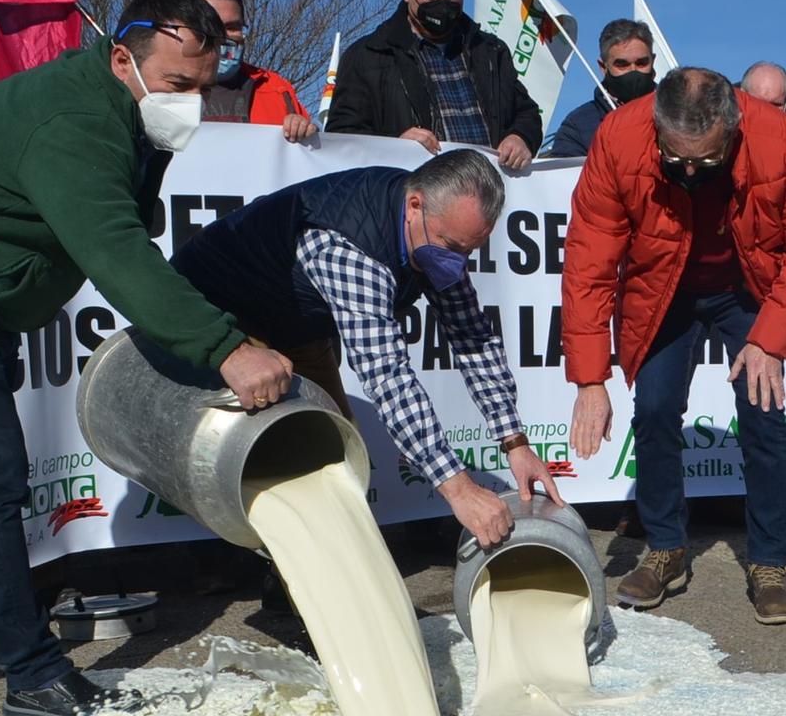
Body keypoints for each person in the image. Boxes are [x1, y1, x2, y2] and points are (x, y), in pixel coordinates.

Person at [0, 0, 291, 716]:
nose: (191, 103)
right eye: (178, 85)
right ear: (124, 58)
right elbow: (117, 250)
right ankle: (33, 675)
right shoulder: (75, 119)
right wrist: (227, 349)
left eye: (204, 88)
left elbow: (129, 217)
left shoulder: (125, 111)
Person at [562, 68, 786, 624]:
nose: (689, 171)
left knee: (762, 410)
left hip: (747, 286)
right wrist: (590, 379)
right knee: (657, 408)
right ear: (657, 128)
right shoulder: (618, 137)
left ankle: (768, 562)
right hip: (662, 287)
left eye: (705, 162)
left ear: (732, 129)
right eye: (675, 159)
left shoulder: (778, 137)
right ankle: (666, 548)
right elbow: (589, 260)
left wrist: (771, 338)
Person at [171, 150, 559, 545]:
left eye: (468, 251)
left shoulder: (433, 228)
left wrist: (516, 443)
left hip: (295, 322)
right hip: (216, 312)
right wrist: (459, 491)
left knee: (337, 451)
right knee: (280, 452)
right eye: (449, 245)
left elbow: (472, 336)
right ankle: (240, 563)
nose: (457, 262)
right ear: (414, 205)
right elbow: (388, 376)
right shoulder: (349, 249)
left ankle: (304, 576)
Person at [325, 0, 540, 168]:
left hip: (492, 195)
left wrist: (520, 137)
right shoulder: (367, 56)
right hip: (412, 197)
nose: (442, 4)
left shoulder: (491, 52)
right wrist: (393, 149)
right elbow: (342, 142)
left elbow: (527, 113)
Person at [182, 0, 316, 142]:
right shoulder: (158, 87)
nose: (223, 37)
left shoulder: (276, 89)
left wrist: (302, 129)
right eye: (211, 27)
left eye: (233, 27)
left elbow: (310, 152)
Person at [544, 18, 656, 157]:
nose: (633, 71)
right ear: (603, 67)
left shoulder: (679, 113)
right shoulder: (578, 126)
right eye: (622, 65)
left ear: (653, 61)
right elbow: (566, 175)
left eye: (641, 63)